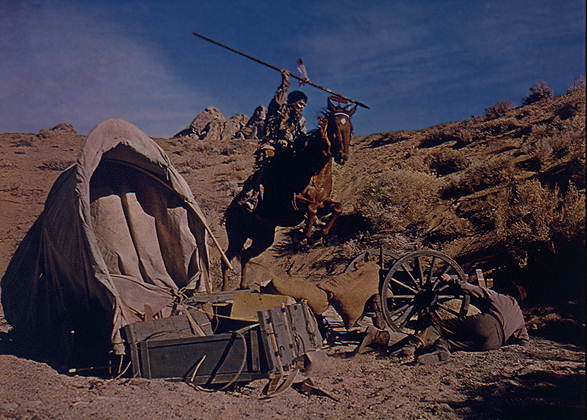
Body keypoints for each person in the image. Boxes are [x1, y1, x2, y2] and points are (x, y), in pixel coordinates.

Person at [358, 274, 529, 364]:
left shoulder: (504, 299)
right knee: (448, 342)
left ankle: (411, 347)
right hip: (493, 343)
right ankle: (441, 352)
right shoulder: (520, 317)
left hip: (488, 323)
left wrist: (453, 281)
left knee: (439, 327)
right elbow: (523, 340)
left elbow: (478, 291)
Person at [239, 70, 308, 211]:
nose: (302, 108)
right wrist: (285, 82)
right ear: (292, 102)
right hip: (272, 146)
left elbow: (302, 136)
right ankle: (253, 195)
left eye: (304, 106)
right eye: (300, 104)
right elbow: (279, 98)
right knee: (269, 164)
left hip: (289, 151)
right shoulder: (278, 111)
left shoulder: (300, 121)